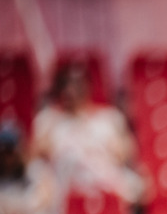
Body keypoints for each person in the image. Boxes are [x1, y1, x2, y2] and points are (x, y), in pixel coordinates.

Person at [28, 60, 145, 205]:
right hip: (64, 191)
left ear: (88, 87)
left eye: (77, 85)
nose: (70, 91)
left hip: (107, 186)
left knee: (138, 185)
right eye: (66, 84)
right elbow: (36, 161)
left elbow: (126, 156)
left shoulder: (110, 118)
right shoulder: (47, 121)